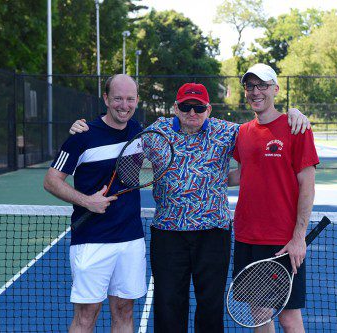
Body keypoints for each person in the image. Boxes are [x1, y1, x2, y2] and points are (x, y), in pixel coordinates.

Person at [69, 82, 311, 333]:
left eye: (198, 107)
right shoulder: (156, 132)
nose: (192, 113)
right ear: (175, 107)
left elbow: (262, 136)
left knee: (210, 306)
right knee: (169, 304)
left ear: (208, 109)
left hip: (213, 235)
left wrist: (292, 113)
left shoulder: (228, 132)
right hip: (168, 235)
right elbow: (117, 130)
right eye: (186, 107)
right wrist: (83, 128)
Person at [43, 74, 147, 333]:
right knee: (86, 317)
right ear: (106, 99)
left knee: (124, 311)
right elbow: (51, 180)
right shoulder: (82, 136)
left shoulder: (140, 131)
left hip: (130, 238)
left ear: (136, 100)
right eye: (118, 98)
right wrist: (86, 201)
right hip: (92, 240)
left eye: (130, 99)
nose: (124, 105)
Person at [228, 64, 319, 333]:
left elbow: (307, 185)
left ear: (275, 89)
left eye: (262, 86)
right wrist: (205, 180)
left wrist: (298, 236)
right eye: (250, 86)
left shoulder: (296, 128)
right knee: (260, 314)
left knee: (288, 317)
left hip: (281, 240)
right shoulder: (243, 132)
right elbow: (244, 173)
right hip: (247, 236)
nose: (255, 92)